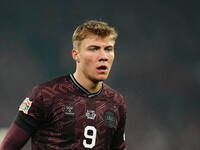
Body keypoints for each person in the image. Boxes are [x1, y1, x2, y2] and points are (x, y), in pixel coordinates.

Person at [0, 20, 126, 150]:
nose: (103, 56)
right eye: (94, 48)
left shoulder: (116, 102)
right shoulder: (45, 95)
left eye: (108, 49)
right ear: (76, 55)